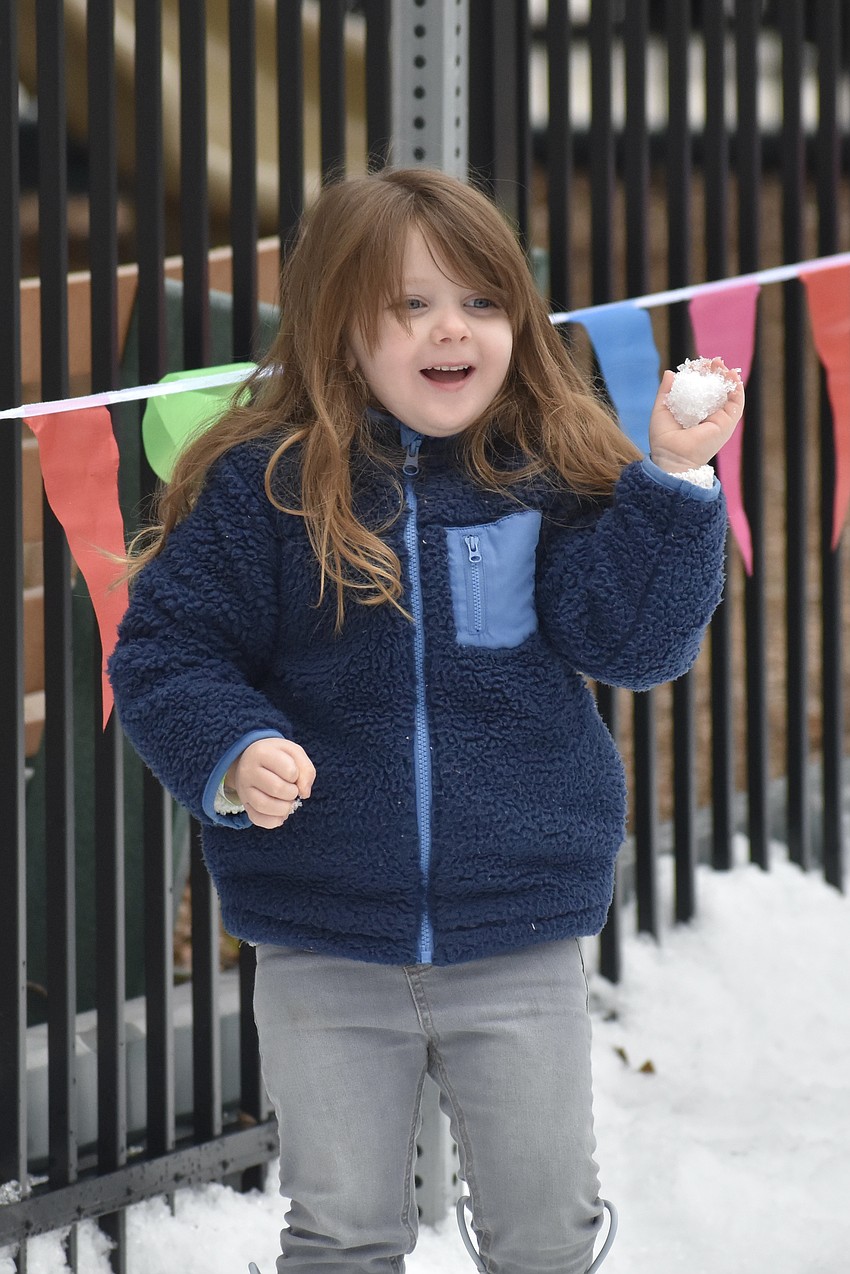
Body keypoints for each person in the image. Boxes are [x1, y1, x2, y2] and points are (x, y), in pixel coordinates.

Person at [108, 167, 743, 1274]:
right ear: (336, 326)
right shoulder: (264, 485)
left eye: (483, 301)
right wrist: (232, 745)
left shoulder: (540, 468)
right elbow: (168, 651)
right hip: (323, 932)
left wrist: (678, 480)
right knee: (342, 1229)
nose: (452, 328)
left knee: (543, 1228)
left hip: (519, 926)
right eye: (410, 304)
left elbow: (634, 643)